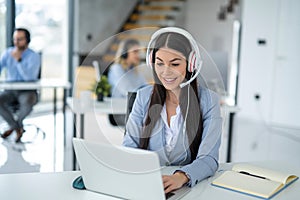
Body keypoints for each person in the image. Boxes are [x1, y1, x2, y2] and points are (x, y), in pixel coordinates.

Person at [123, 27, 222, 193]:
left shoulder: (209, 101)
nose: (166, 72)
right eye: (160, 63)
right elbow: (129, 147)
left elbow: (209, 158)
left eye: (175, 64)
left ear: (191, 64)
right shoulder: (143, 97)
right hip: (148, 186)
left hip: (188, 189)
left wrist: (182, 176)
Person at [0, 28, 41, 142]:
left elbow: (30, 78)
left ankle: (14, 127)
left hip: (27, 91)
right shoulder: (8, 53)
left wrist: (19, 60)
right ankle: (17, 127)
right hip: (10, 90)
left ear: (27, 40)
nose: (16, 42)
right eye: (15, 39)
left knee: (28, 101)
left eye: (20, 39)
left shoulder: (34, 56)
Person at [108, 38, 147, 125]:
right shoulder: (116, 69)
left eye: (139, 52)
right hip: (120, 113)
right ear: (125, 54)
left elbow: (145, 86)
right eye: (135, 52)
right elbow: (128, 91)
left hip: (133, 110)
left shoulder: (135, 70)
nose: (138, 55)